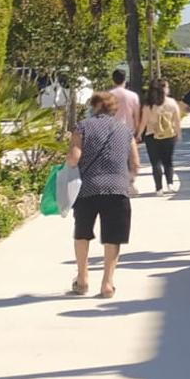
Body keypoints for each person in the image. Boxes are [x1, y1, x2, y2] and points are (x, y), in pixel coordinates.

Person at [67, 92, 139, 299]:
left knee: (82, 233)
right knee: (113, 237)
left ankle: (82, 279)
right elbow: (135, 164)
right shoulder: (125, 131)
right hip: (117, 189)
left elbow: (73, 158)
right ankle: (107, 283)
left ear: (96, 106)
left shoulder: (82, 127)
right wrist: (126, 180)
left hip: (87, 188)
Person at [137, 79, 182, 195]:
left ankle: (159, 188)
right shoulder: (172, 103)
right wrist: (178, 133)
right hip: (169, 134)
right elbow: (177, 120)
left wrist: (139, 134)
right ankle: (170, 184)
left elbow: (144, 122)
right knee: (168, 161)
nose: (168, 89)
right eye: (167, 87)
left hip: (151, 135)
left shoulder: (149, 105)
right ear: (163, 89)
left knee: (155, 162)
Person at [108, 69, 140, 134]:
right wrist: (138, 132)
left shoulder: (108, 96)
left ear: (113, 80)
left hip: (113, 132)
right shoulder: (133, 96)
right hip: (129, 131)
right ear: (125, 80)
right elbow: (136, 116)